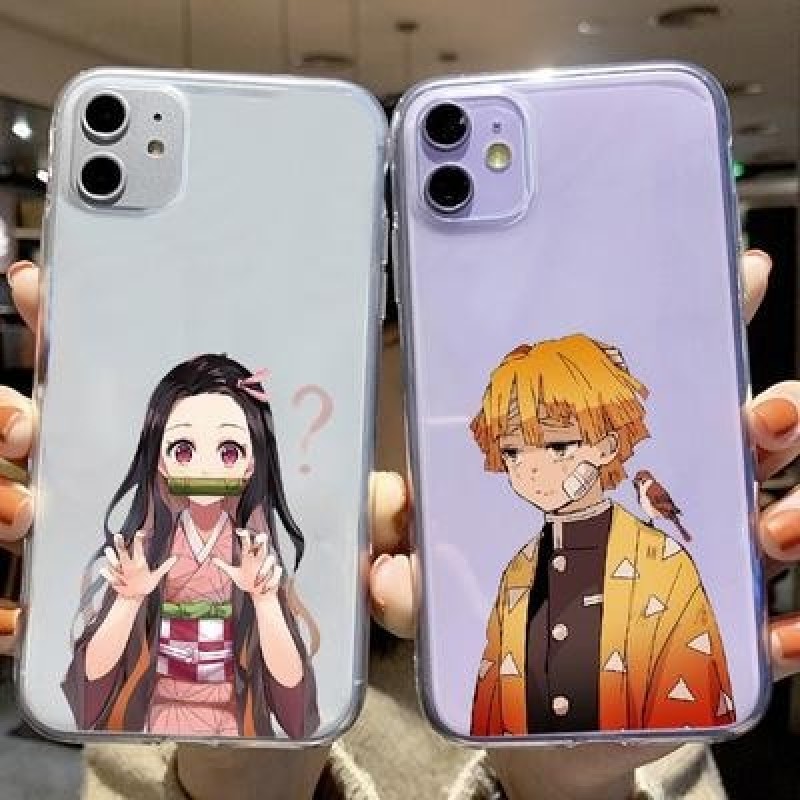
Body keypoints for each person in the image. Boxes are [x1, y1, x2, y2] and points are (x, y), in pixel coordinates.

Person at [1, 250, 799, 799]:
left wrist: (568, 784)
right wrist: (248, 776)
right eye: (390, 346)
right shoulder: (170, 670)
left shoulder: (634, 667)